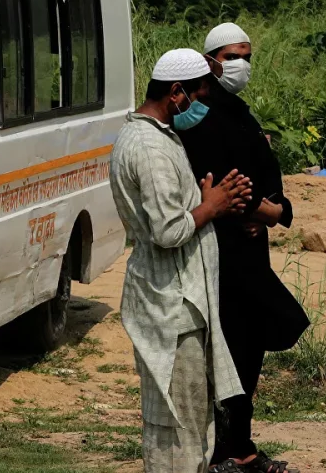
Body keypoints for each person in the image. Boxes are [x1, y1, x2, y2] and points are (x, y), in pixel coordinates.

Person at [110, 48, 252, 473]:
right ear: (176, 93)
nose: (200, 106)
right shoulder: (149, 148)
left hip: (179, 303)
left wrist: (207, 199)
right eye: (197, 95)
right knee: (179, 427)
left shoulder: (154, 136)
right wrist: (213, 206)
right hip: (172, 308)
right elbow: (168, 230)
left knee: (187, 422)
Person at [177, 23, 309, 473]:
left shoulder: (242, 114)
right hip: (224, 251)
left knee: (250, 345)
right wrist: (262, 213)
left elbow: (265, 171)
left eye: (247, 57)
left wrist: (275, 206)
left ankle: (239, 443)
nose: (242, 66)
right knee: (232, 346)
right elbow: (213, 180)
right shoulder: (201, 118)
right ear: (211, 61)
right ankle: (228, 448)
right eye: (234, 57)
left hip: (252, 248)